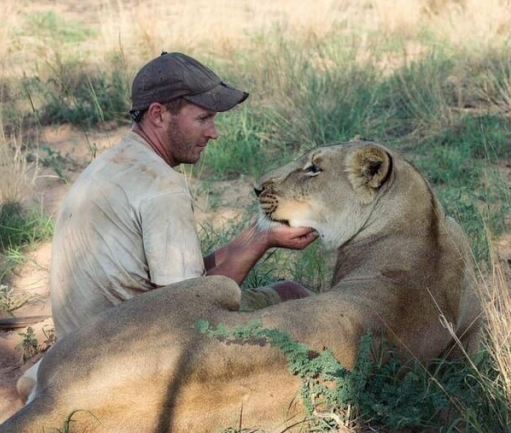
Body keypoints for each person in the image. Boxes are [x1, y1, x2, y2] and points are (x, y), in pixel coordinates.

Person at [17, 52, 318, 401]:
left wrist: (254, 234)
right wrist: (261, 242)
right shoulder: (163, 187)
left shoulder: (113, 163)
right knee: (293, 296)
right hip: (129, 359)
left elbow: (174, 279)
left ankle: (43, 381)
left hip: (77, 349)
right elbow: (190, 308)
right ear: (158, 114)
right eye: (203, 118)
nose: (214, 132)